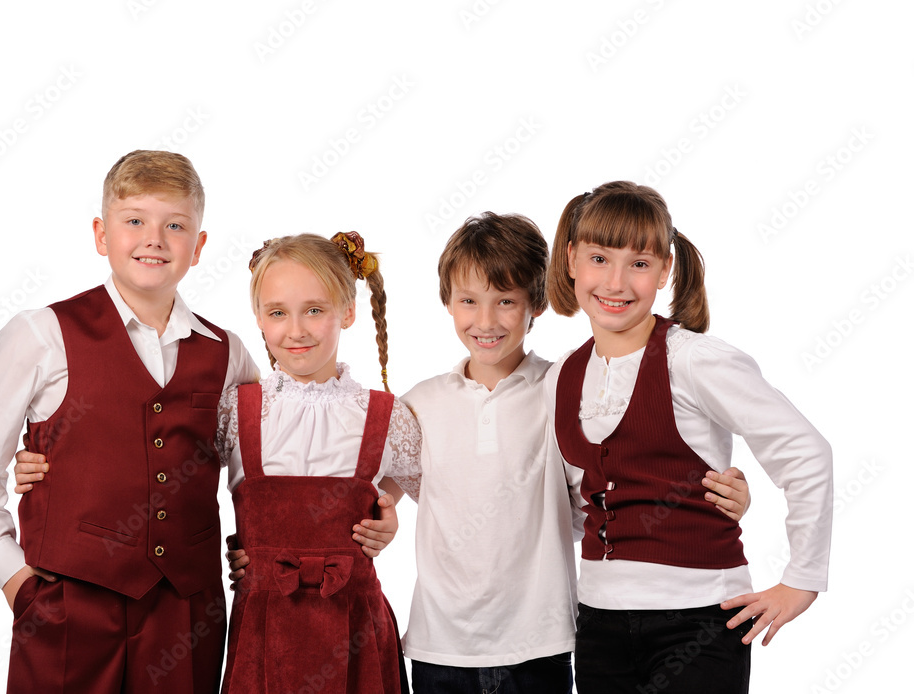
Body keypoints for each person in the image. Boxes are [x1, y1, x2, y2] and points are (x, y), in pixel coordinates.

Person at [350, 213, 748, 692]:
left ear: (536, 303)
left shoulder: (563, 388)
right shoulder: (421, 403)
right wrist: (381, 516)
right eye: (469, 301)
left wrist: (713, 495)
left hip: (540, 646)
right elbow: (381, 489)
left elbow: (615, 485)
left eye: (506, 301)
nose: (486, 321)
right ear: (447, 302)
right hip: (440, 646)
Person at [0, 150, 261, 693]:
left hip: (187, 612)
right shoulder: (42, 334)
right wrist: (15, 580)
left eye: (175, 225)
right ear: (100, 234)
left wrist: (260, 544)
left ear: (199, 246)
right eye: (134, 220)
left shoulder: (227, 352)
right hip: (69, 608)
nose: (154, 239)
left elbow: (254, 469)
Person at [545, 181, 833, 693]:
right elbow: (576, 505)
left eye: (638, 263)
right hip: (598, 620)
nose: (616, 281)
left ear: (665, 271)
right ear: (571, 260)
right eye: (599, 258)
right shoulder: (562, 376)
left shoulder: (695, 360)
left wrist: (802, 580)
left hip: (699, 618)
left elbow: (805, 452)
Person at [218, 232, 420, 693]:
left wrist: (384, 511)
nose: (296, 330)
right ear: (258, 317)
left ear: (347, 311)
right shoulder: (237, 409)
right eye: (277, 313)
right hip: (262, 626)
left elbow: (435, 497)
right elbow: (175, 487)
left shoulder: (386, 415)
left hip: (355, 625)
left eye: (314, 310)